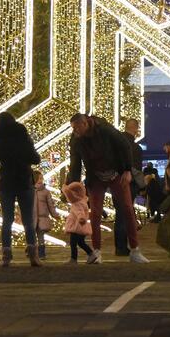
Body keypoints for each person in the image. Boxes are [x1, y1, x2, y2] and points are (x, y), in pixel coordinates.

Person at [67, 113, 150, 264]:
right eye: (73, 128)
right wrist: (73, 185)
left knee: (127, 209)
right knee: (95, 213)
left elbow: (124, 145)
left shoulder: (105, 130)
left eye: (76, 128)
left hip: (116, 173)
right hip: (96, 176)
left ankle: (135, 250)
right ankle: (97, 251)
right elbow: (75, 164)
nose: (75, 131)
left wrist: (127, 170)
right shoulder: (76, 140)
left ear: (85, 124)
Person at [0, 111, 41, 267]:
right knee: (28, 221)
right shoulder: (22, 135)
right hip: (24, 180)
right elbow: (35, 158)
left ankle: (6, 255)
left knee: (7, 220)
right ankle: (33, 255)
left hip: (6, 182)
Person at [114, 118, 145, 257]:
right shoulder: (135, 148)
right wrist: (143, 185)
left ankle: (119, 246)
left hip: (115, 183)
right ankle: (124, 247)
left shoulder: (115, 143)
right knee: (125, 215)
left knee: (119, 214)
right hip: (129, 185)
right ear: (135, 129)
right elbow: (136, 171)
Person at [63, 180, 94, 263]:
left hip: (77, 226)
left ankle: (74, 258)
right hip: (80, 226)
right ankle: (91, 254)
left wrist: (81, 218)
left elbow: (79, 212)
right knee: (80, 242)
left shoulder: (77, 203)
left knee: (73, 243)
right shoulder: (82, 201)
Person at [33, 170, 57, 259]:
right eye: (39, 178)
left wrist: (54, 214)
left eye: (41, 178)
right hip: (32, 217)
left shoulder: (45, 192)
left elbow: (50, 204)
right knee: (31, 236)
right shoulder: (30, 190)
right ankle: (31, 250)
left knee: (40, 236)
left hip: (41, 217)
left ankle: (41, 253)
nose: (41, 180)